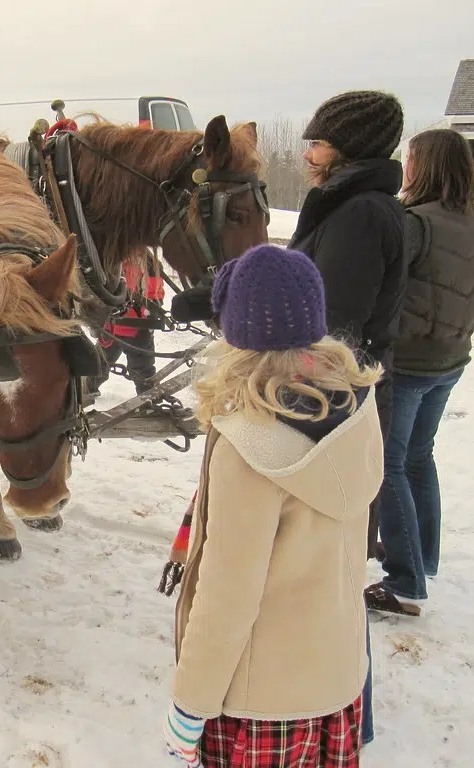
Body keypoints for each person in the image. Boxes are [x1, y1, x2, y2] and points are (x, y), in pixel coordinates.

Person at [163, 245, 383, 768]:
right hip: (336, 686)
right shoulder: (355, 408)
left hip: (262, 707)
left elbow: (227, 596)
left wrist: (191, 703)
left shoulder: (249, 444)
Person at [288, 89, 406, 746]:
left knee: (333, 564)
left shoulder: (360, 215)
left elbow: (330, 325)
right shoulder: (351, 208)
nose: (309, 154)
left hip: (336, 407)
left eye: (319, 142)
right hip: (336, 400)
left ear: (348, 148)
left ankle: (347, 714)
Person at [365, 129, 474, 617]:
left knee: (390, 464)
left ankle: (404, 582)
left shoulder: (416, 223)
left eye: (411, 158)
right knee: (419, 457)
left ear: (428, 165)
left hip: (413, 361)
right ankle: (422, 557)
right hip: (451, 357)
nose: (406, 166)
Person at [92, 249, 164, 396]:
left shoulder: (146, 260)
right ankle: (88, 388)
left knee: (142, 367)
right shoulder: (106, 258)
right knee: (100, 362)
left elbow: (154, 288)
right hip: (113, 325)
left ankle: (148, 396)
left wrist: (151, 309)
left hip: (135, 326)